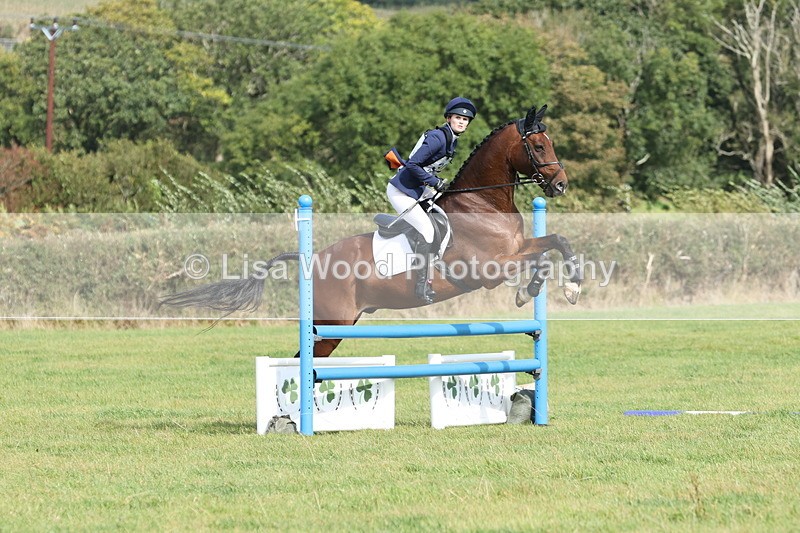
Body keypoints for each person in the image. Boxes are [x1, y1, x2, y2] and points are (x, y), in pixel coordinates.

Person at [386, 96, 477, 304]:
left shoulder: (451, 139)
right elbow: (412, 165)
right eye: (458, 118)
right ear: (448, 118)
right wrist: (435, 182)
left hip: (417, 190)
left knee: (444, 220)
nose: (462, 122)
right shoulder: (438, 137)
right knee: (427, 231)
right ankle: (420, 286)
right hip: (401, 191)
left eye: (466, 120)